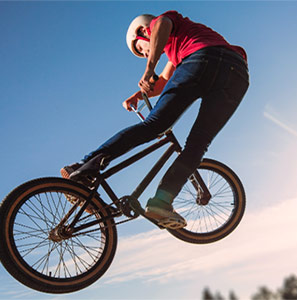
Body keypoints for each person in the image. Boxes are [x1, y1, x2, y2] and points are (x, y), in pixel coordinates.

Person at [60, 11, 249, 229]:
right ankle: (161, 203)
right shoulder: (181, 45)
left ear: (143, 31)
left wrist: (149, 67)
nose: (145, 53)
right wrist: (139, 95)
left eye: (141, 49)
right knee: (198, 144)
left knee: (154, 126)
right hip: (236, 74)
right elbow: (165, 80)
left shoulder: (165, 21)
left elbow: (162, 25)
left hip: (201, 59)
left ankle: (84, 167)